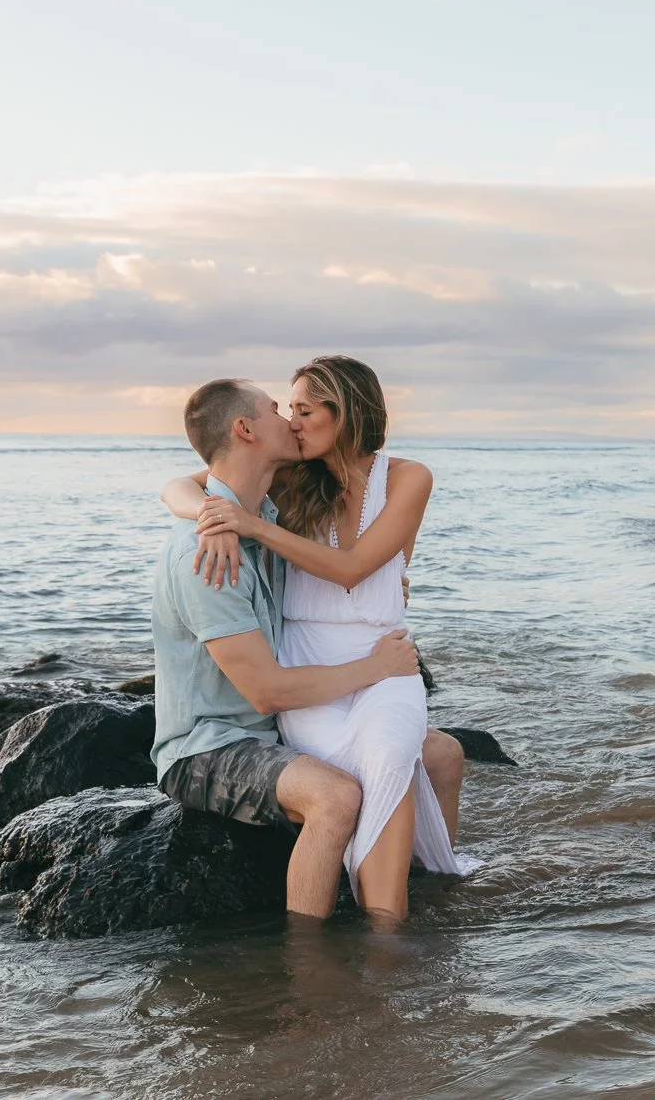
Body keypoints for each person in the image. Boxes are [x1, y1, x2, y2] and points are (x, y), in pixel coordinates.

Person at [163, 356, 474, 928]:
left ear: (346, 413)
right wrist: (213, 517)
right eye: (286, 411)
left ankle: (402, 917)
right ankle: (353, 952)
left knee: (410, 753)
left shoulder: (396, 479)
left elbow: (354, 569)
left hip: (369, 671)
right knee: (371, 774)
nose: (294, 421)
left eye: (304, 411)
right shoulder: (284, 486)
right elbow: (181, 483)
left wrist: (249, 524)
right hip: (294, 690)